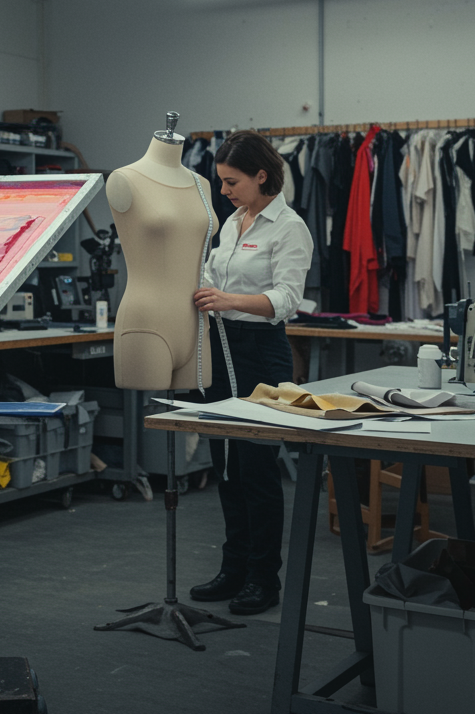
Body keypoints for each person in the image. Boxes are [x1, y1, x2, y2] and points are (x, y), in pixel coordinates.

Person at [189, 130, 314, 616]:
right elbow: (213, 279)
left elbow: (288, 301)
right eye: (221, 182)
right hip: (222, 347)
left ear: (262, 176)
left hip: (262, 352)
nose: (223, 191)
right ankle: (233, 567)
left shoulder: (289, 228)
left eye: (231, 182)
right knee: (226, 466)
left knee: (257, 471)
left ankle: (264, 578)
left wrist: (228, 301)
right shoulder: (232, 223)